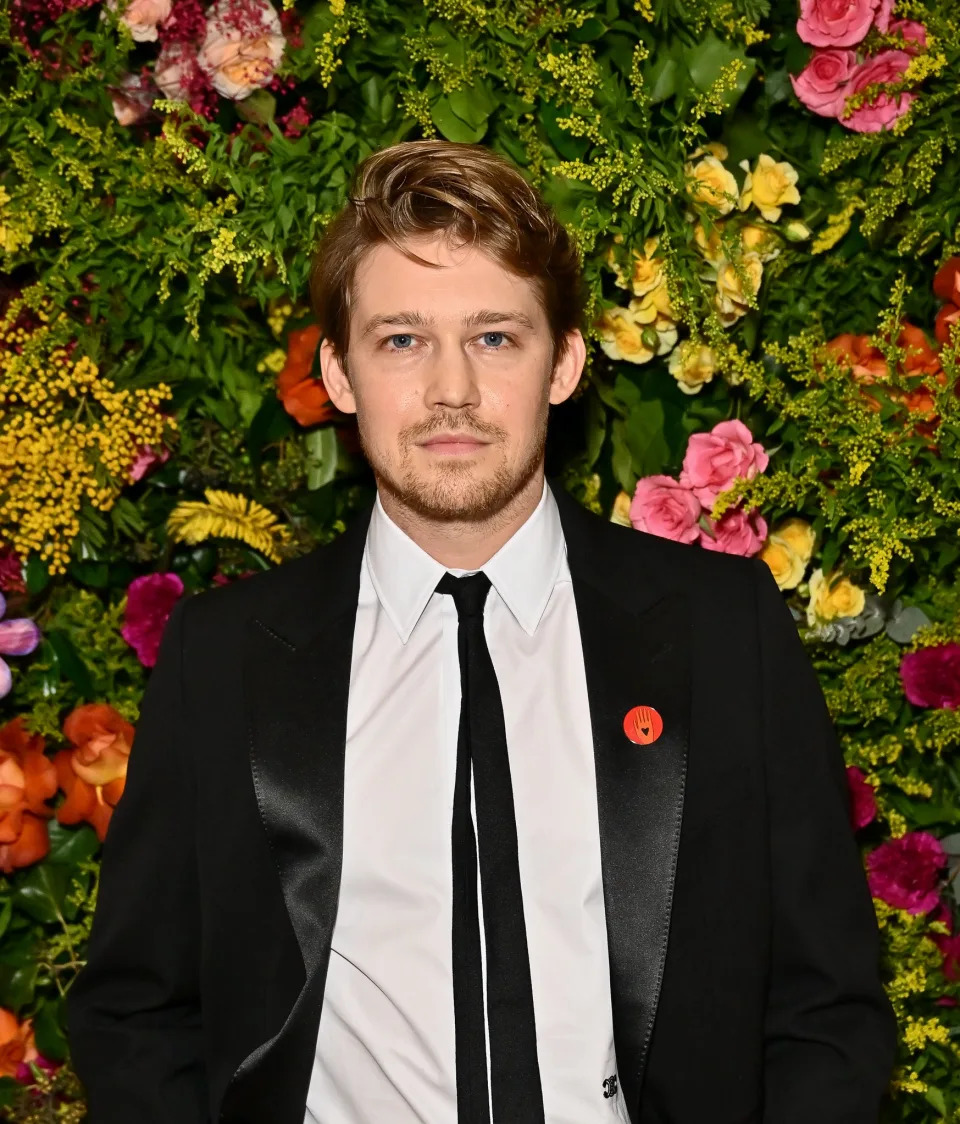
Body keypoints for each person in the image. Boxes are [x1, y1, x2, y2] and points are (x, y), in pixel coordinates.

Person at [67, 139, 897, 1124]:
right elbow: (137, 1005)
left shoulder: (723, 630)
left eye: (496, 337)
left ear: (566, 362)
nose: (452, 389)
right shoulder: (226, 655)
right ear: (337, 372)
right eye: (402, 340)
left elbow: (827, 1005)